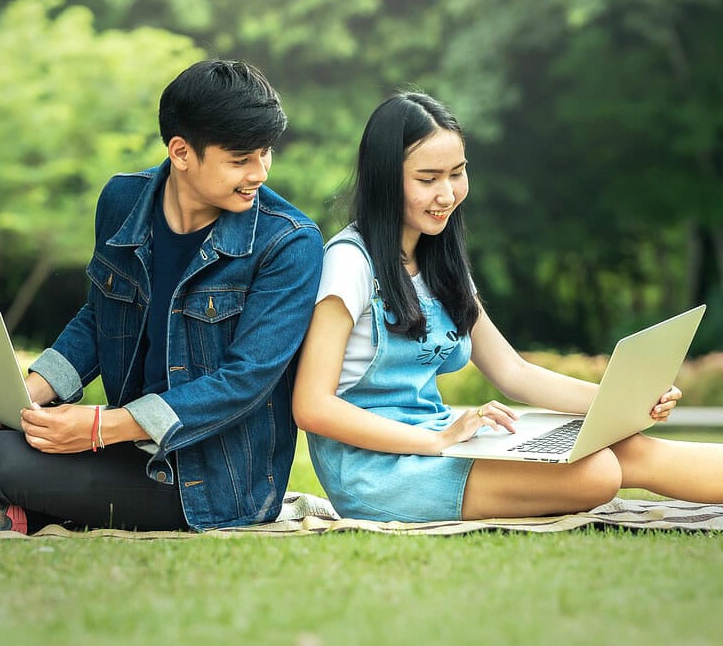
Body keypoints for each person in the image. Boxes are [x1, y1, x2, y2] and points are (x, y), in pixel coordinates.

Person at [0, 59, 323, 534]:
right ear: (181, 151)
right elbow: (98, 315)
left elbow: (243, 383)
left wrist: (99, 429)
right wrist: (29, 393)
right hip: (122, 442)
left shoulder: (289, 243)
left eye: (265, 153)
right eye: (240, 160)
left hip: (202, 476)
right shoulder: (122, 202)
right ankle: (2, 516)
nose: (260, 173)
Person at [292, 90, 723, 523]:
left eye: (457, 173)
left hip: (441, 440)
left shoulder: (440, 262)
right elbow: (311, 405)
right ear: (385, 179)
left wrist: (625, 403)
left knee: (629, 447)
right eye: (428, 179)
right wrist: (438, 440)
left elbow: (513, 372)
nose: (447, 194)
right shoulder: (349, 262)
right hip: (378, 469)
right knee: (597, 473)